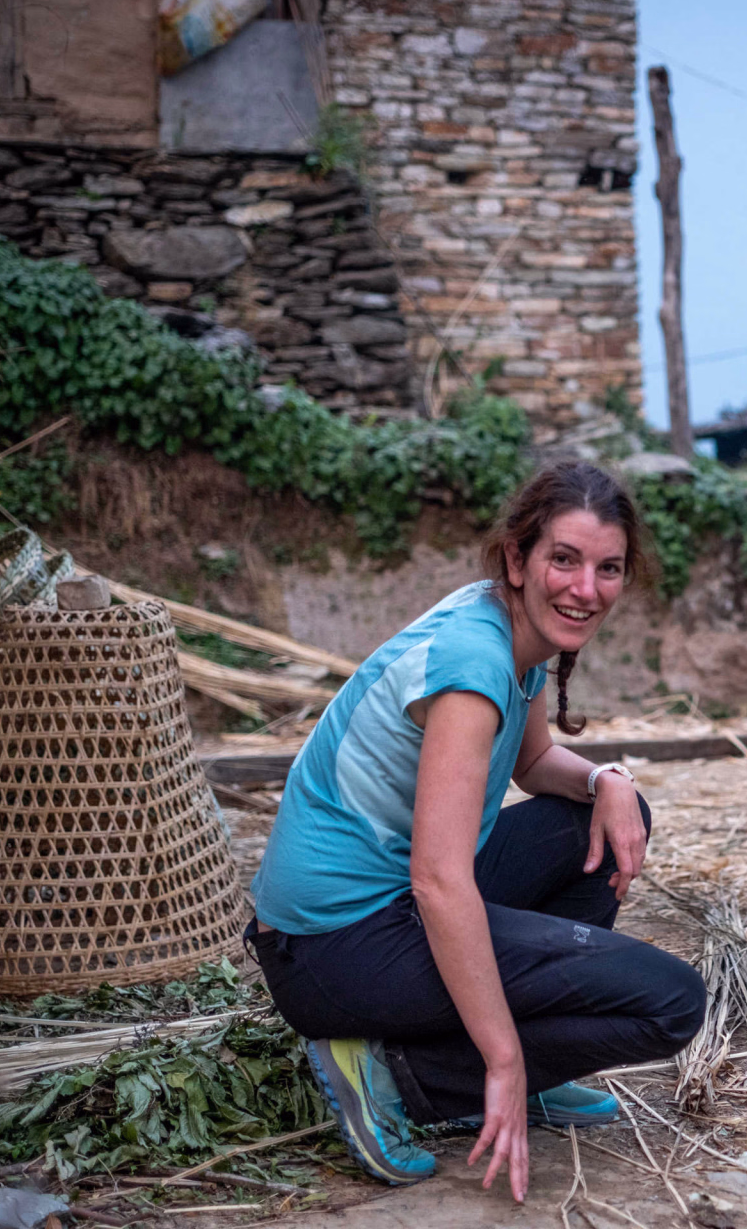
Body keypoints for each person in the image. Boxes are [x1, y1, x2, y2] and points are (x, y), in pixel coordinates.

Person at [247, 461, 705, 1204]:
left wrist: (608, 782)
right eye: (564, 559)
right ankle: (407, 1077)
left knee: (609, 817)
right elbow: (437, 880)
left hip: (382, 911)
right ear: (518, 558)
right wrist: (503, 1057)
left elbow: (531, 764)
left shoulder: (508, 630)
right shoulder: (474, 662)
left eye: (608, 568)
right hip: (332, 949)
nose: (585, 589)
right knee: (672, 1001)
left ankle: (506, 1063)